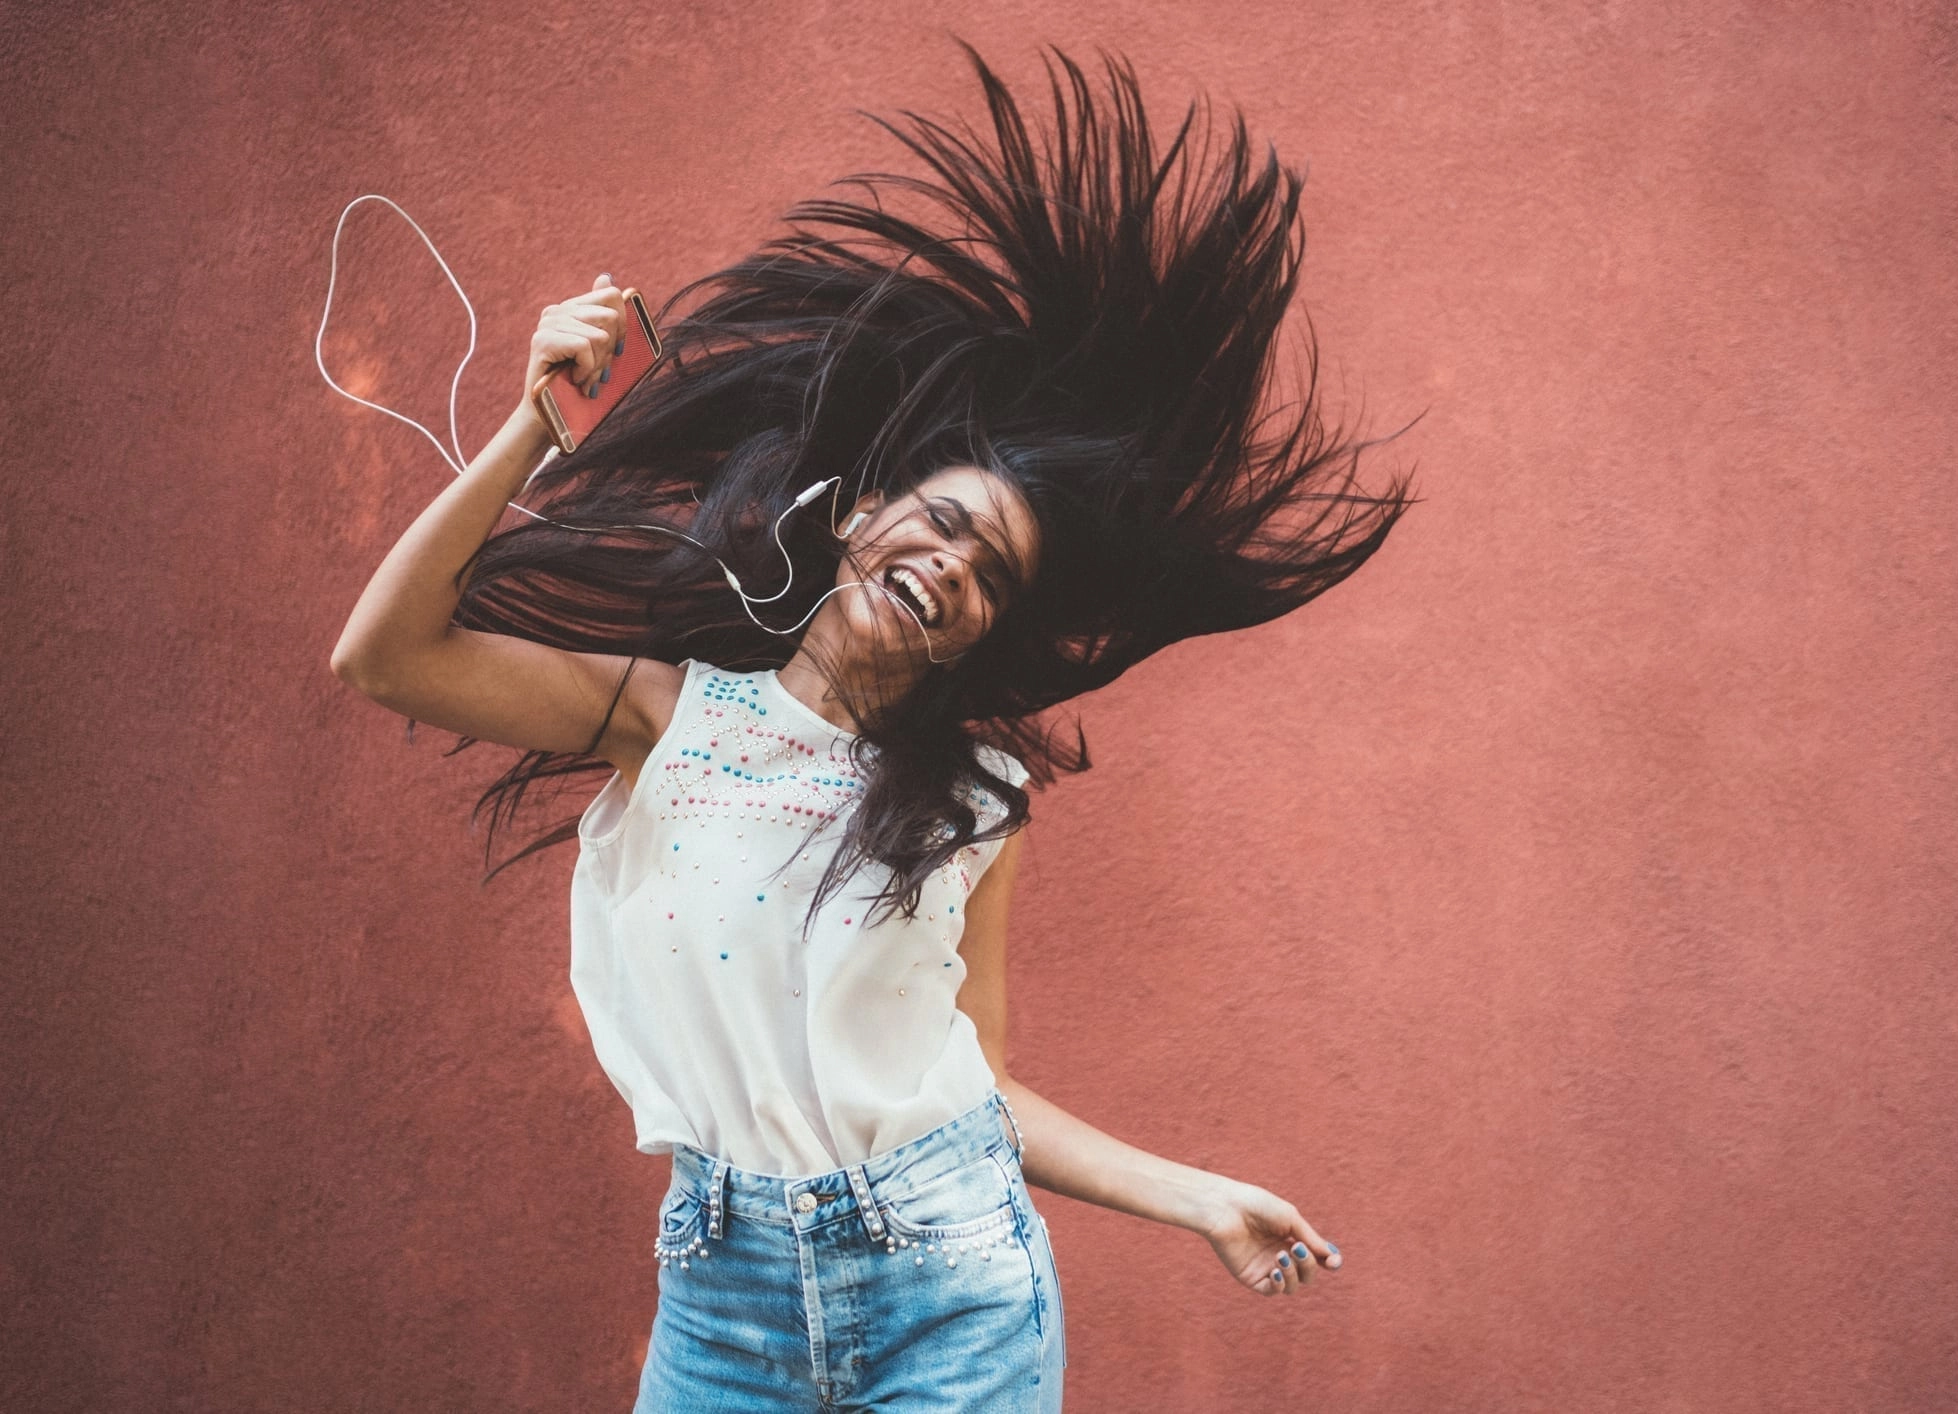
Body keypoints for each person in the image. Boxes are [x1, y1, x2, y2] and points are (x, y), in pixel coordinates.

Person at [330, 40, 1417, 1413]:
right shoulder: (663, 710)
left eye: (992, 573)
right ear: (855, 515)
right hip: (720, 1303)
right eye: (945, 518)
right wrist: (531, 431)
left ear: (985, 628)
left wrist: (1195, 1196)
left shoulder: (976, 799)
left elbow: (977, 1088)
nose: (955, 562)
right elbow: (384, 657)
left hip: (953, 1292)